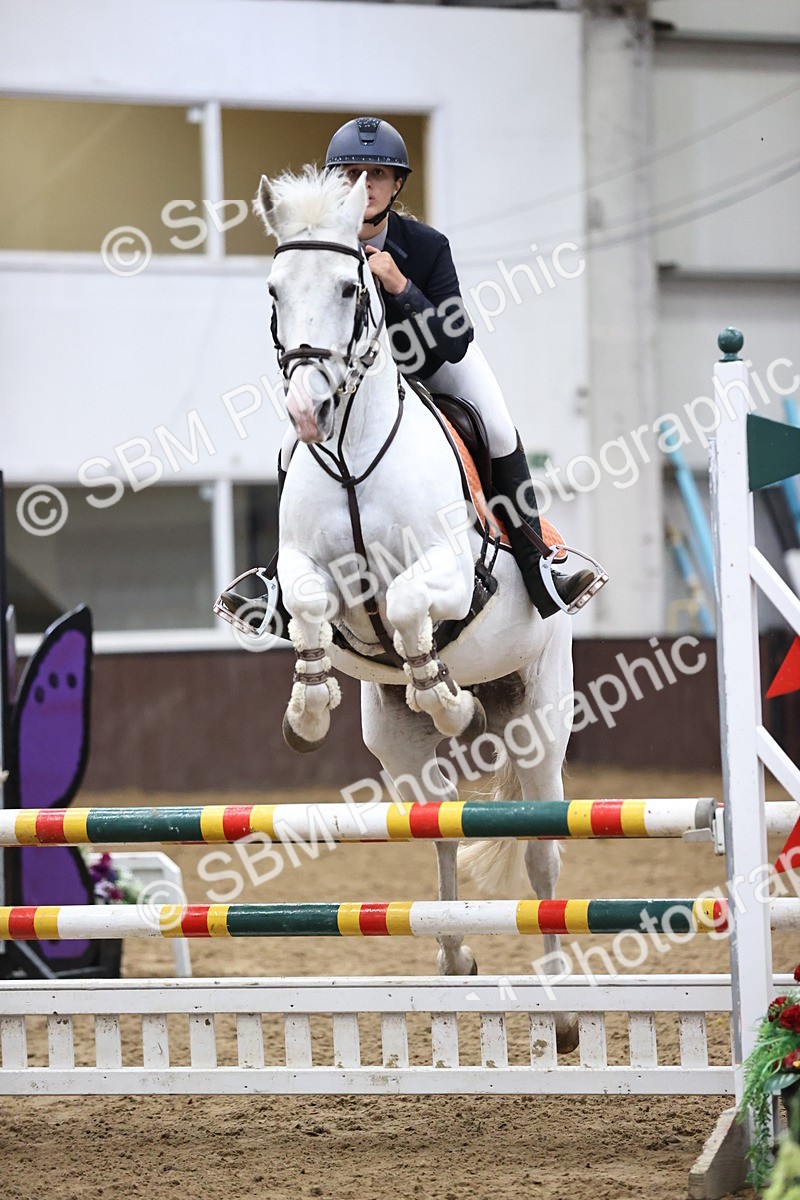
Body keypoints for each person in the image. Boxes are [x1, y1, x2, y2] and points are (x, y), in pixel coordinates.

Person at [217, 117, 605, 634]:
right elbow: (293, 317)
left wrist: (400, 286)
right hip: (352, 384)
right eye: (353, 171)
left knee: (498, 427)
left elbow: (455, 337)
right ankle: (277, 582)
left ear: (398, 184)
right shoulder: (317, 244)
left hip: (433, 366)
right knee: (292, 445)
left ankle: (540, 563)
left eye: (379, 172)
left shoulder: (425, 245)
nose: (365, 183)